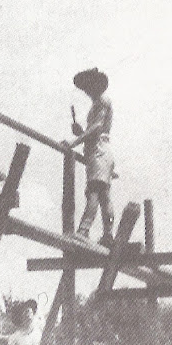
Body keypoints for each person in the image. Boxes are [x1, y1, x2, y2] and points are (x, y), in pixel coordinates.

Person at [61, 68, 115, 247]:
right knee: (103, 194)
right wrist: (80, 132)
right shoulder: (98, 104)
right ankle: (108, 235)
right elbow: (94, 130)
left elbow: (97, 128)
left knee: (93, 191)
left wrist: (74, 141)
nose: (86, 90)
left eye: (89, 86)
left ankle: (83, 230)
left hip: (99, 151)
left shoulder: (102, 101)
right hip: (99, 152)